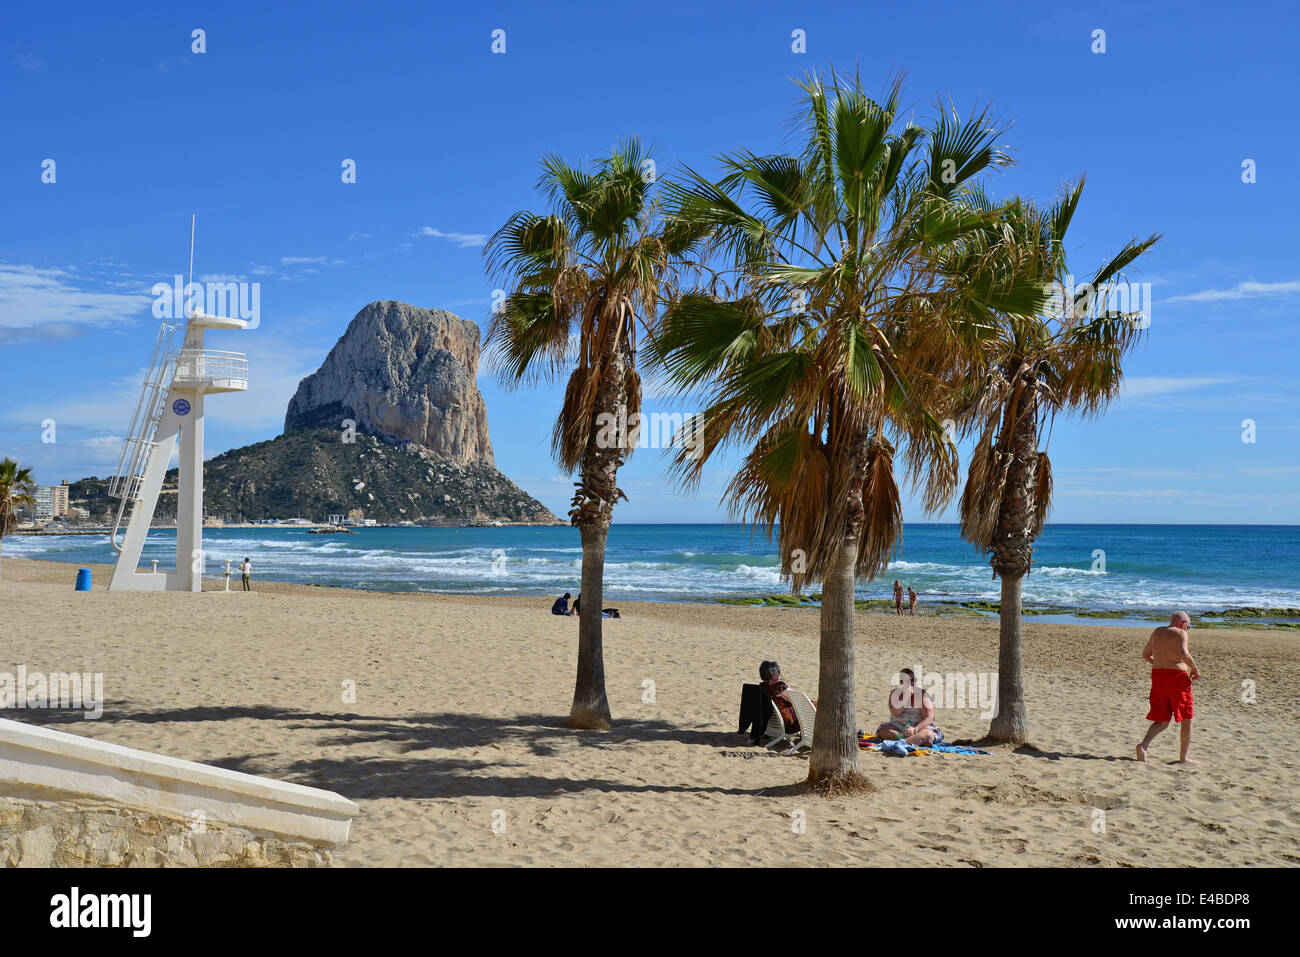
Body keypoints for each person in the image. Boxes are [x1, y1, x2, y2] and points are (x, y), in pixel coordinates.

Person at [1137, 611, 1200, 763]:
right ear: (1184, 623)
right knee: (1187, 718)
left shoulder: (1157, 632)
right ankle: (1183, 758)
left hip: (1158, 676)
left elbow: (1145, 654)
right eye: (1188, 626)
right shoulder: (1180, 633)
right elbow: (1184, 653)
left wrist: (1159, 664)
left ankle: (1143, 746)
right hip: (1176, 678)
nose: (1187, 629)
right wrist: (1194, 668)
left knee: (1162, 719)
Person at [875, 668, 941, 745]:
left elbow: (928, 718)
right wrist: (906, 696)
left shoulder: (923, 695)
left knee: (926, 734)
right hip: (897, 727)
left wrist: (915, 729)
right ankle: (910, 741)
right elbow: (896, 713)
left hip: (918, 728)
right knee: (884, 730)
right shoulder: (895, 694)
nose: (911, 683)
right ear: (901, 682)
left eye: (913, 680)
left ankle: (903, 742)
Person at [759, 660, 799, 734]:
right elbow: (797, 700)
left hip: (772, 725)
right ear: (773, 674)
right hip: (789, 724)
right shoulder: (779, 687)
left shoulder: (761, 687)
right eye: (778, 671)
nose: (779, 673)